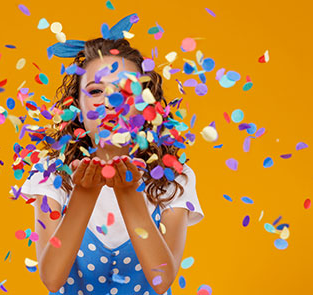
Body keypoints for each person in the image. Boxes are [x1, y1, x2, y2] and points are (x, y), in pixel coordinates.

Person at [20, 36, 204, 295]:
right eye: (96, 91)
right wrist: (84, 193)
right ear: (77, 106)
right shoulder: (50, 172)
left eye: (125, 92)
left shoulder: (173, 178)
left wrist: (129, 192)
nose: (109, 103)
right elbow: (51, 279)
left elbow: (162, 281)